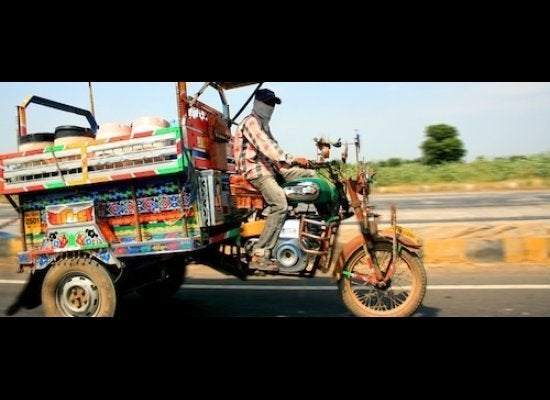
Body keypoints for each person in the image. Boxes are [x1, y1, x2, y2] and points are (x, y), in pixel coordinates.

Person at [233, 88, 315, 271]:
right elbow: (269, 148)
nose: (270, 107)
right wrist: (292, 159)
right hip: (255, 170)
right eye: (268, 103)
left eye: (273, 104)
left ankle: (317, 227)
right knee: (280, 204)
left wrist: (301, 165)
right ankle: (260, 252)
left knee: (311, 177)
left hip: (270, 169)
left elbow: (275, 152)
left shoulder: (264, 124)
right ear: (258, 103)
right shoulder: (251, 122)